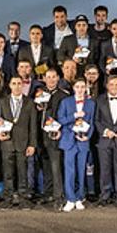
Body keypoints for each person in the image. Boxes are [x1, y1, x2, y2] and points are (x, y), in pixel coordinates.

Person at [0, 75, 38, 208]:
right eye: (14, 83)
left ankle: (23, 198)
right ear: (9, 85)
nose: (17, 86)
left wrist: (32, 144)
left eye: (19, 83)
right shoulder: (2, 101)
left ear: (23, 85)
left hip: (23, 143)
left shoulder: (29, 102)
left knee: (22, 172)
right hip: (7, 142)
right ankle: (8, 198)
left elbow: (33, 126)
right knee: (7, 173)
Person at [57, 77, 95, 212]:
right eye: (77, 86)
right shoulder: (65, 102)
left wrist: (88, 136)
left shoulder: (91, 104)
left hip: (83, 142)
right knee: (69, 171)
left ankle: (79, 197)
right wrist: (74, 115)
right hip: (69, 141)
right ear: (73, 88)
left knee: (81, 171)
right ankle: (70, 198)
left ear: (86, 88)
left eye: (82, 87)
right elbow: (60, 120)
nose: (80, 89)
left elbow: (93, 123)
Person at [94, 74, 117, 207]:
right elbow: (96, 120)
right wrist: (105, 131)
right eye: (112, 84)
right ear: (106, 86)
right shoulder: (99, 100)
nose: (114, 87)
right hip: (105, 140)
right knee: (104, 169)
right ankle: (104, 195)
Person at [36, 68, 71, 208]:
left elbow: (65, 116)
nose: (51, 79)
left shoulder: (64, 95)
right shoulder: (39, 94)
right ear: (44, 78)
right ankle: (48, 193)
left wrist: (60, 130)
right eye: (48, 77)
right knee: (45, 166)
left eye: (53, 77)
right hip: (40, 135)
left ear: (58, 78)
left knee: (56, 167)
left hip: (55, 135)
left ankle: (59, 197)